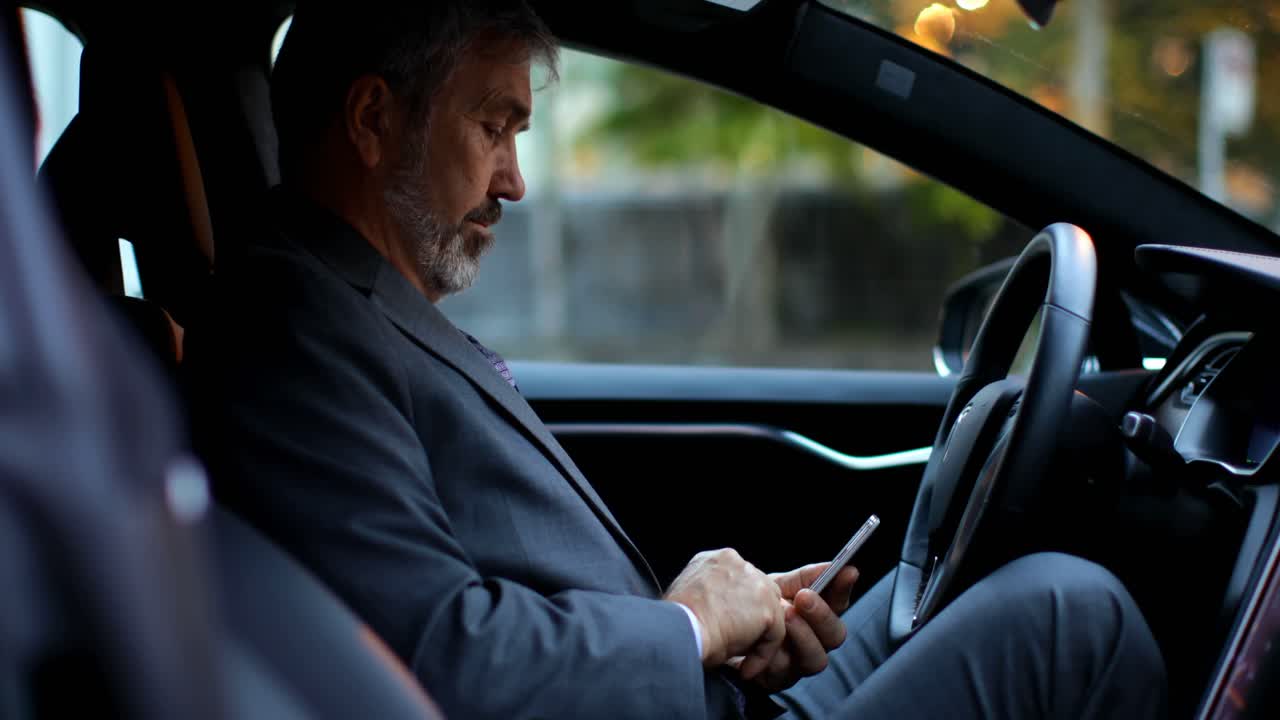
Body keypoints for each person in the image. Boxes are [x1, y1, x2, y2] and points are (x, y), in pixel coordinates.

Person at [184, 1, 1167, 718]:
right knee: (1066, 614)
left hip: (679, 699)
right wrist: (686, 628)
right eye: (494, 127)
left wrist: (722, 629)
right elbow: (430, 658)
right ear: (370, 120)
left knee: (1004, 603)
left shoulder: (352, 301)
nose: (514, 183)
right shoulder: (289, 329)